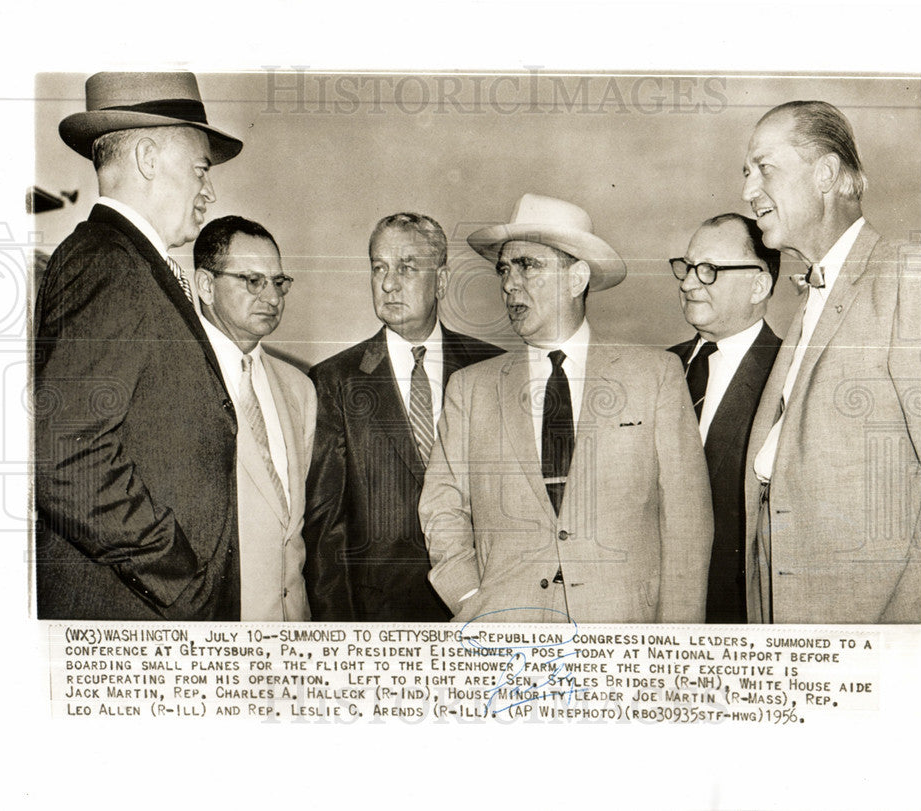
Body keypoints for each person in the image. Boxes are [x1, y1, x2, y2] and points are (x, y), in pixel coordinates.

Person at [420, 193, 713, 624]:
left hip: (622, 638)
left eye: (528, 265)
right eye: (504, 268)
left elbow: (687, 527)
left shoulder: (655, 376)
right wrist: (471, 598)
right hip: (506, 639)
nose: (508, 283)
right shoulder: (470, 389)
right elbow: (441, 508)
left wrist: (674, 646)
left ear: (577, 278)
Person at [34, 71, 243, 619]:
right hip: (135, 618)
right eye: (201, 169)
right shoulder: (109, 265)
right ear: (148, 157)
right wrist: (179, 576)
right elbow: (68, 460)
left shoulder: (127, 263)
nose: (210, 191)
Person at [741, 100, 921, 623]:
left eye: (764, 168)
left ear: (825, 174)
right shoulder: (811, 298)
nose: (748, 191)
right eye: (747, 173)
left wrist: (904, 632)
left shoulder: (904, 278)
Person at [305, 213, 503, 621]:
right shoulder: (334, 380)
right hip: (380, 620)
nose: (389, 283)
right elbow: (326, 531)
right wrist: (338, 638)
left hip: (483, 609)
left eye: (407, 268)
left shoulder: (492, 368)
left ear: (442, 281)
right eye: (379, 267)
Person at [194, 216, 316, 621]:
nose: (272, 297)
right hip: (214, 635)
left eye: (278, 282)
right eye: (252, 281)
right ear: (205, 286)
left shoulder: (299, 389)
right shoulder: (177, 381)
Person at [668, 213, 782, 623]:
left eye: (709, 270)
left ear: (759, 284)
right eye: (686, 267)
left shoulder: (792, 375)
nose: (687, 283)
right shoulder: (657, 369)